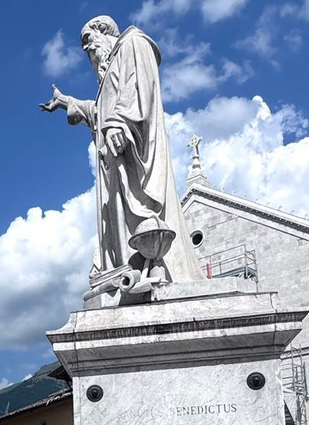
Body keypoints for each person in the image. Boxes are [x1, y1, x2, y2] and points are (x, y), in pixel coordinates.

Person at [41, 16, 202, 303]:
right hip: (115, 168)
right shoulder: (108, 74)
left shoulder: (133, 43)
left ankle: (151, 268)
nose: (88, 52)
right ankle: (129, 272)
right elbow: (100, 113)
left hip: (131, 158)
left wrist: (119, 121)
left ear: (104, 32)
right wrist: (68, 102)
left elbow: (140, 88)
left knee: (142, 222)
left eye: (88, 42)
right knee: (119, 232)